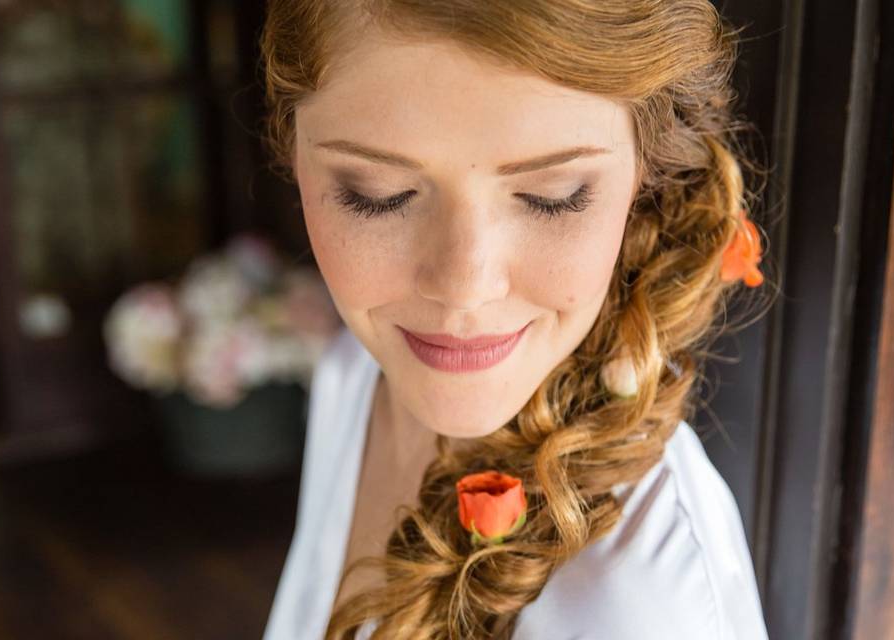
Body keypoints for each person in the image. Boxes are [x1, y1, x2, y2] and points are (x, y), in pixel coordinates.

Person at [259, 1, 772, 638]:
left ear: (645, 174)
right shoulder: (354, 379)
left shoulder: (640, 599)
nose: (465, 289)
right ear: (293, 151)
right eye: (377, 195)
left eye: (551, 199)